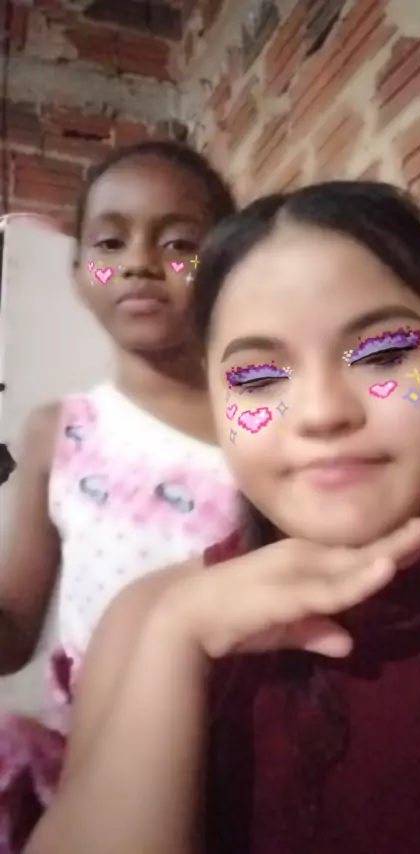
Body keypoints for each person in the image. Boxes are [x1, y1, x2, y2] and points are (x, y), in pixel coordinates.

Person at [26, 182, 420, 854]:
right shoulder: (147, 617)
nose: (323, 412)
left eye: (384, 354)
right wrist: (175, 639)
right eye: (257, 378)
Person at [0, 140, 241, 851]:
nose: (138, 263)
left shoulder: (262, 423)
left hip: (243, 758)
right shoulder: (59, 432)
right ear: (80, 272)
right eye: (109, 243)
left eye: (179, 243)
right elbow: (13, 633)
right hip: (98, 779)